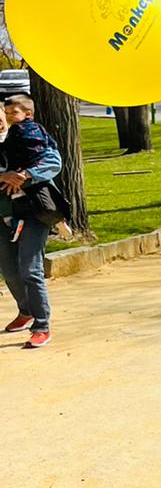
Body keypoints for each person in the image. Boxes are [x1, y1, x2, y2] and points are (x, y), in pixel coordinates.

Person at [0, 94, 63, 350]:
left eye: (2, 115)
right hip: (3, 214)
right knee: (10, 271)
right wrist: (4, 175)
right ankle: (25, 311)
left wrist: (25, 175)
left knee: (30, 268)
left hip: (33, 212)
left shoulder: (31, 137)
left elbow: (54, 162)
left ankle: (41, 325)